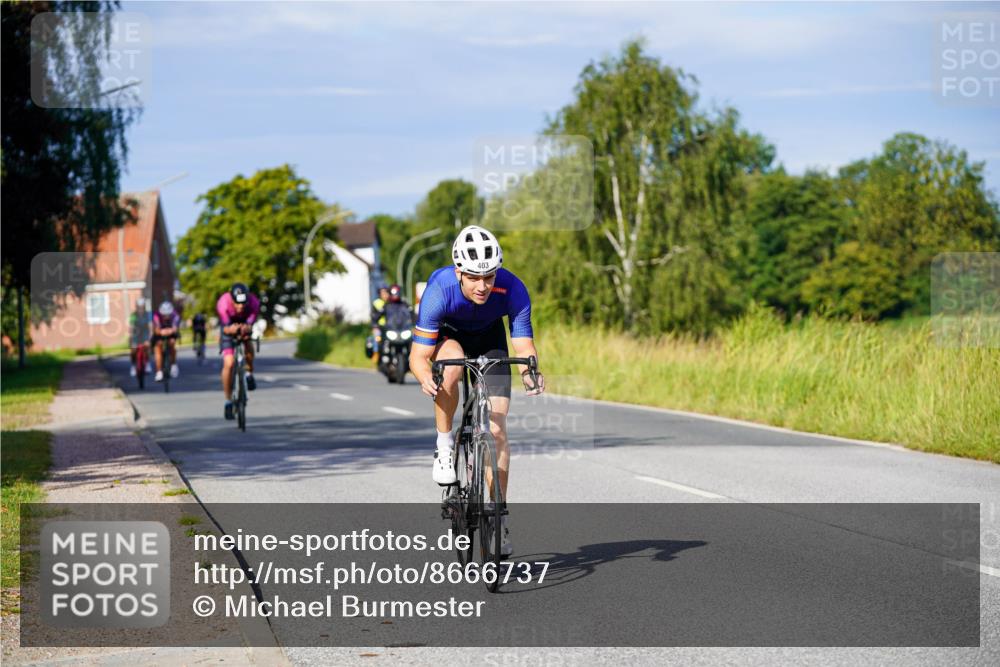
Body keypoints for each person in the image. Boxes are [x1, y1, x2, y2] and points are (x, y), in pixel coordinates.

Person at [408, 225, 545, 557]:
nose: (483, 285)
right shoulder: (440, 290)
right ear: (459, 272)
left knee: (496, 428)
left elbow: (523, 344)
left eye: (489, 276)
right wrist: (426, 375)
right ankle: (444, 446)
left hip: (490, 339)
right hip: (449, 337)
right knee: (452, 365)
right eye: (473, 277)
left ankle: (498, 520)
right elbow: (418, 356)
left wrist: (530, 372)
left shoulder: (512, 288)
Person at [216, 282, 261, 420]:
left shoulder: (254, 303)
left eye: (243, 304)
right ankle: (228, 400)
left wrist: (246, 328)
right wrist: (231, 329)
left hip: (244, 325)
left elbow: (251, 321)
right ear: (231, 300)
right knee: (229, 364)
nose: (241, 307)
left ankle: (249, 372)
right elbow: (225, 328)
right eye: (237, 304)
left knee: (248, 342)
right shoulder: (223, 304)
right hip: (228, 327)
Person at [151, 300, 181, 381]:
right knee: (158, 346)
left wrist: (171, 330)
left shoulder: (175, 315)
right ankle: (159, 371)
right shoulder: (156, 315)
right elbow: (156, 329)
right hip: (160, 332)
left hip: (170, 331)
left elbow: (175, 328)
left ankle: (173, 365)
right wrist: (160, 332)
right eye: (164, 315)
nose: (166, 317)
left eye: (168, 315)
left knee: (172, 343)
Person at [129, 297, 151, 377]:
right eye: (139, 307)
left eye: (142, 307)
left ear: (144, 307)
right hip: (136, 334)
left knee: (147, 346)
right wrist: (131, 335)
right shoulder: (133, 315)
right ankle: (133, 366)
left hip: (145, 333)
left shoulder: (148, 314)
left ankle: (148, 363)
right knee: (133, 349)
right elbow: (131, 326)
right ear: (136, 307)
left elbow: (150, 325)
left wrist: (150, 335)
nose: (141, 309)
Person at [370, 285, 390, 365]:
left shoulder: (391, 302)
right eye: (383, 293)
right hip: (379, 326)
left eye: (386, 293)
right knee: (377, 337)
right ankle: (376, 353)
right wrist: (374, 326)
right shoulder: (376, 303)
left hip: (391, 326)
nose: (385, 295)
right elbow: (373, 316)